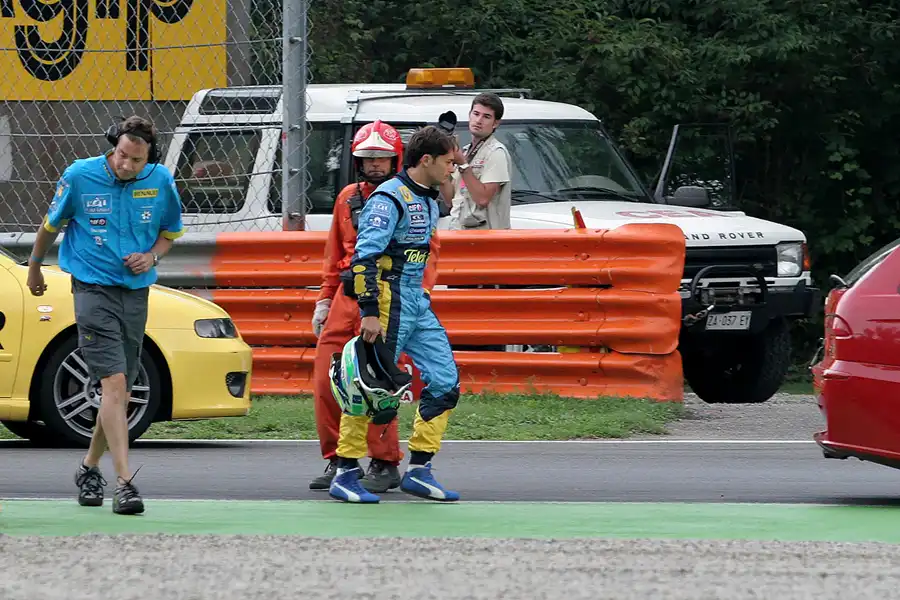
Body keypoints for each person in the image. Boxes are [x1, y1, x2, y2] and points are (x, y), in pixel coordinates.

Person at [26, 115, 185, 515]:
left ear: (149, 158)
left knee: (120, 391)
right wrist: (33, 269)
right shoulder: (80, 175)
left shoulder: (160, 180)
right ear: (112, 147)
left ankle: (88, 468)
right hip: (92, 288)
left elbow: (170, 232)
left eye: (135, 160)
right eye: (121, 155)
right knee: (113, 381)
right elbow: (50, 225)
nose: (125, 165)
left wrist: (151, 256)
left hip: (135, 293)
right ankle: (125, 482)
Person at [328, 125, 462, 504]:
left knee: (445, 380)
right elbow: (363, 257)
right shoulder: (389, 199)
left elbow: (449, 197)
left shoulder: (429, 196)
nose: (452, 168)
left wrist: (455, 165)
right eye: (448, 162)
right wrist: (369, 311)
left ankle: (420, 468)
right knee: (368, 386)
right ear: (427, 160)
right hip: (387, 301)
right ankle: (345, 470)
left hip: (416, 301)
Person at [441, 92, 512, 231]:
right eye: (476, 113)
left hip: (486, 239)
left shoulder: (496, 152)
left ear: (496, 123)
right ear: (469, 115)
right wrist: (441, 167)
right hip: (460, 231)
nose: (479, 120)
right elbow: (450, 200)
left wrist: (462, 164)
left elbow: (482, 199)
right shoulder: (466, 152)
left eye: (486, 117)